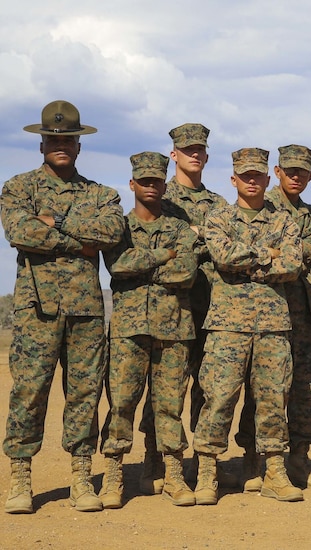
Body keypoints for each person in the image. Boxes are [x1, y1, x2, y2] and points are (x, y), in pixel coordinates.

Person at [2, 100, 125, 514]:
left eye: (68, 139)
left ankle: (81, 476)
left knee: (84, 395)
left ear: (78, 145)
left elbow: (110, 231)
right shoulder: (19, 188)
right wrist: (79, 241)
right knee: (29, 392)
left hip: (86, 312)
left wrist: (54, 223)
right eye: (53, 138)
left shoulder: (101, 194)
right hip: (36, 310)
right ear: (41, 144)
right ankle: (20, 478)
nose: (61, 145)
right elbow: (19, 233)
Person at [191, 148, 303, 504]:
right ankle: (207, 472)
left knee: (273, 401)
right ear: (234, 179)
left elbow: (292, 264)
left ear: (268, 179)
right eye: (246, 175)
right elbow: (222, 256)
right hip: (228, 326)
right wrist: (265, 254)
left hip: (272, 326)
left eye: (258, 176)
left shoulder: (284, 221)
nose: (252, 181)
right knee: (219, 398)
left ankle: (274, 471)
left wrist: (247, 259)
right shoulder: (218, 218)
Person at [99, 152, 198, 508]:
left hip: (173, 329)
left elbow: (187, 272)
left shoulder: (180, 228)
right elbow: (117, 265)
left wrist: (144, 266)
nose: (152, 187)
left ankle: (173, 473)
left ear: (164, 182)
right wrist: (161, 257)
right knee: (122, 403)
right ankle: (113, 475)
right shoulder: (119, 228)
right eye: (145, 181)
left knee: (169, 406)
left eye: (157, 181)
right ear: (132, 184)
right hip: (128, 330)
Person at [235, 144, 311, 493]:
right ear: (276, 172)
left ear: (310, 176)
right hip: (263, 309)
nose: (295, 177)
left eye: (301, 172)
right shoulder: (263, 205)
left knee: (306, 386)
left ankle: (300, 458)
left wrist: (292, 250)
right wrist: (288, 252)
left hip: (303, 312)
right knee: (261, 389)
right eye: (289, 170)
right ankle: (253, 459)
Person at [142, 123, 232, 494]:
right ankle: (154, 456)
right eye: (187, 149)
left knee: (207, 388)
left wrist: (195, 242)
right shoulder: (161, 201)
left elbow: (227, 248)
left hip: (211, 306)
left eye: (200, 150)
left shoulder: (219, 205)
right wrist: (197, 242)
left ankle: (200, 461)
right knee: (166, 387)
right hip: (171, 308)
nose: (194, 155)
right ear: (174, 155)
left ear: (207, 156)